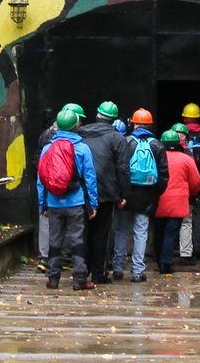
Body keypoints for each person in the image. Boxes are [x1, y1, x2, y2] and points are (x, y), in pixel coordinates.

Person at [35, 106, 99, 290]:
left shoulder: (47, 148)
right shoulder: (82, 149)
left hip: (54, 202)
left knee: (55, 240)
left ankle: (53, 278)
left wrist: (43, 204)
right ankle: (79, 279)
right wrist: (92, 204)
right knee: (77, 240)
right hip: (76, 202)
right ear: (75, 126)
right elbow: (90, 178)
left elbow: (42, 179)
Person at [78, 103, 129, 285]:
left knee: (83, 233)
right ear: (114, 119)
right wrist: (123, 195)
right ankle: (99, 274)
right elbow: (122, 168)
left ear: (98, 115)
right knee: (101, 234)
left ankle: (82, 272)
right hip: (106, 193)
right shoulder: (117, 138)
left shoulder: (81, 133)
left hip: (82, 192)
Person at [115, 108, 165, 281]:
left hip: (127, 194)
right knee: (141, 232)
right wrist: (157, 193)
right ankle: (137, 272)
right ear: (150, 125)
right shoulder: (157, 145)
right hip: (147, 195)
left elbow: (120, 169)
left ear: (134, 124)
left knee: (121, 230)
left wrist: (121, 193)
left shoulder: (126, 142)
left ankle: (118, 267)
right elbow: (164, 174)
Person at [32, 103, 82, 263]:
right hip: (71, 190)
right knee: (70, 225)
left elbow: (39, 166)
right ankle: (66, 258)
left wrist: (42, 198)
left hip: (48, 187)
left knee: (48, 224)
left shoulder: (46, 136)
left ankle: (45, 258)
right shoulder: (76, 142)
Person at [154, 126, 200, 275]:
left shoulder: (157, 157)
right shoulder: (186, 159)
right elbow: (196, 181)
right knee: (171, 233)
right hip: (178, 202)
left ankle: (158, 259)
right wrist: (192, 194)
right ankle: (166, 263)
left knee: (158, 232)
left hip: (158, 201)